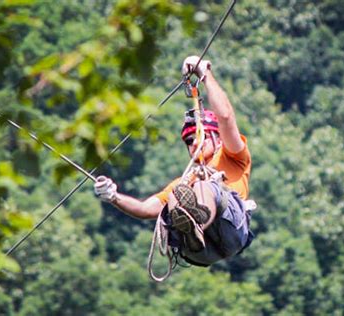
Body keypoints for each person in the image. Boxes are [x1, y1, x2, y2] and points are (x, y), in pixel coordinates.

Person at [94, 56, 254, 266]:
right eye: (188, 141)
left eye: (199, 135)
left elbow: (225, 117)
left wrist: (205, 75)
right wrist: (113, 197)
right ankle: (191, 228)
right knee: (178, 196)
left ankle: (193, 222)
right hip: (202, 250)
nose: (194, 143)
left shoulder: (233, 156)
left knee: (204, 187)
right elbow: (146, 209)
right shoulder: (186, 182)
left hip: (231, 229)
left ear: (216, 137)